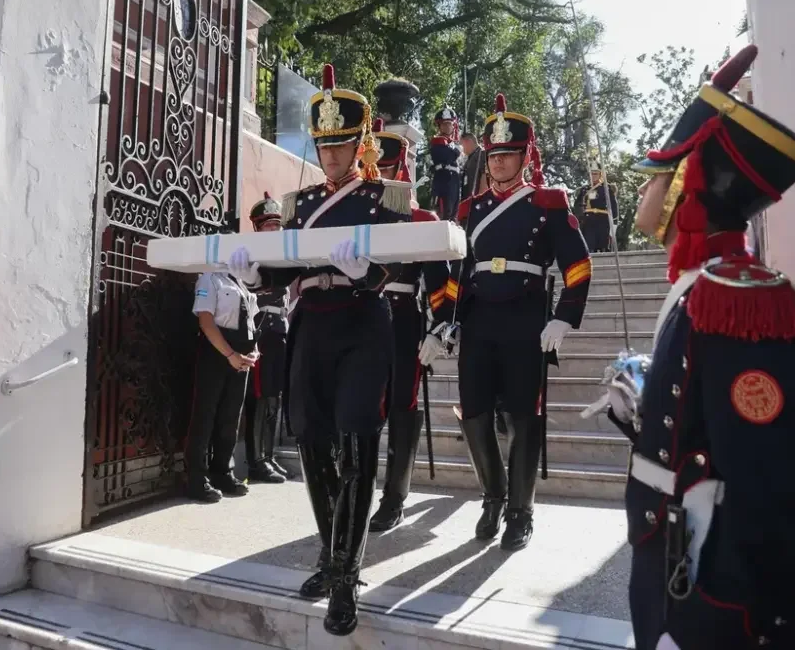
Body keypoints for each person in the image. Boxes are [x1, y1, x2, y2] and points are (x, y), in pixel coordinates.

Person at [600, 45, 795, 650]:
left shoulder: (740, 297)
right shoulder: (701, 285)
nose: (644, 192)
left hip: (706, 590)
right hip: (670, 562)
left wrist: (717, 609)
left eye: (656, 178)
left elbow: (766, 483)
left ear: (686, 187)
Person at [227, 64, 411, 636]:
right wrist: (255, 275)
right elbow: (285, 273)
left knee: (356, 442)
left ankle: (343, 573)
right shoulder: (299, 201)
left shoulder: (388, 195)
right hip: (313, 324)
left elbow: (402, 259)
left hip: (361, 321)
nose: (330, 156)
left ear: (361, 145)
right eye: (324, 145)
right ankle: (334, 551)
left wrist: (369, 269)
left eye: (341, 146)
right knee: (310, 442)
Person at [425, 93, 592, 551]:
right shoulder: (469, 210)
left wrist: (564, 319)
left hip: (525, 318)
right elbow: (459, 275)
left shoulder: (549, 202)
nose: (498, 164)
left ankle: (521, 510)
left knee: (524, 414)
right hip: (480, 320)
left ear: (524, 157)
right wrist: (447, 320)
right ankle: (493, 497)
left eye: (508, 155)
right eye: (494, 156)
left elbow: (578, 266)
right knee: (474, 413)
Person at [366, 118, 458, 532]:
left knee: (403, 405)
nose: (380, 177)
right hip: (357, 315)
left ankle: (394, 496)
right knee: (360, 407)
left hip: (402, 318)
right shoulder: (354, 213)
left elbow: (442, 282)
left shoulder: (420, 218)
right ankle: (356, 489)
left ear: (401, 170)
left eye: (387, 170)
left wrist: (440, 328)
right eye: (375, 170)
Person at [186, 241, 260, 503]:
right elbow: (206, 321)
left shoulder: (242, 282)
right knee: (205, 415)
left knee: (231, 416)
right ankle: (196, 478)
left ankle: (222, 472)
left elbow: (251, 322)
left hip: (242, 355)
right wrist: (229, 354)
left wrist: (254, 352)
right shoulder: (210, 279)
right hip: (217, 351)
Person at [243, 193, 291, 484]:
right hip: (259, 330)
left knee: (274, 396)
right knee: (259, 398)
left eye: (277, 226)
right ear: (258, 228)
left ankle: (269, 455)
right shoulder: (250, 255)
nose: (274, 231)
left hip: (278, 332)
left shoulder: (285, 256)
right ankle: (256, 461)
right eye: (268, 226)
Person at [574, 159, 619, 252]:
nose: (593, 176)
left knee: (603, 246)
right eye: (591, 174)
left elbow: (613, 205)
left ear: (600, 175)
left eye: (595, 174)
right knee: (588, 245)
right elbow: (577, 205)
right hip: (588, 221)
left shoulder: (606, 188)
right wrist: (579, 218)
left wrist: (614, 223)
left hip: (602, 220)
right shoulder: (584, 189)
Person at [429, 105, 463, 220]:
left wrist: (453, 150)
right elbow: (448, 156)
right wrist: (454, 151)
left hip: (455, 180)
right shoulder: (437, 141)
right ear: (439, 126)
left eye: (450, 124)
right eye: (444, 124)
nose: (447, 126)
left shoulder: (453, 143)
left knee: (454, 210)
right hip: (443, 178)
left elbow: (454, 154)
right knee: (443, 212)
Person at [460, 131, 485, 200]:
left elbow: (485, 176)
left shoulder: (482, 154)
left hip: (478, 200)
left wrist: (481, 198)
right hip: (468, 200)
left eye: (462, 144)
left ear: (469, 142)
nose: (461, 148)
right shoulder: (469, 158)